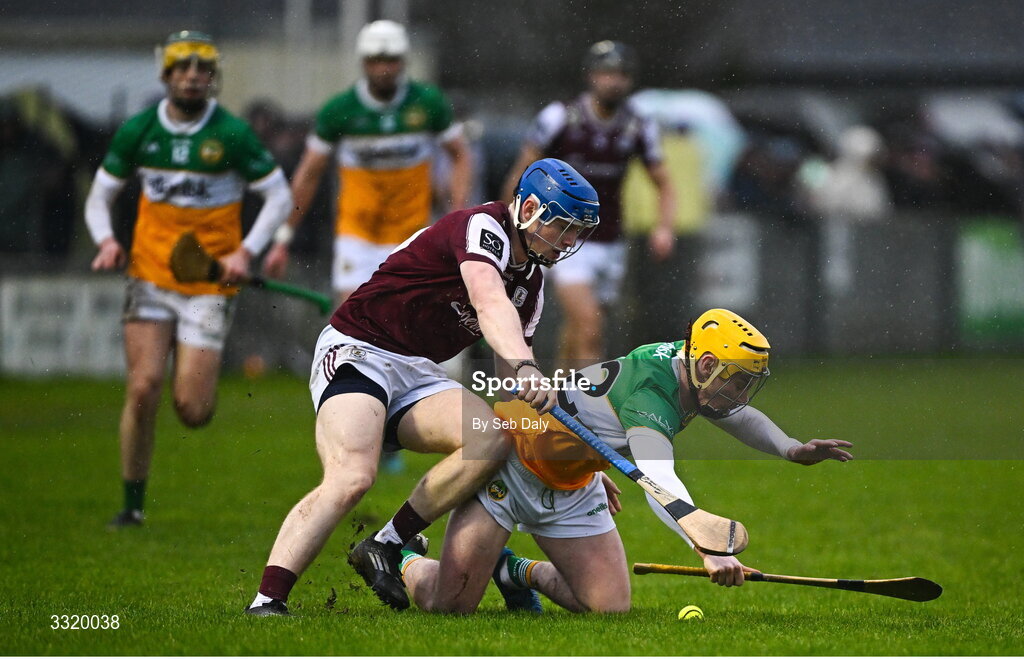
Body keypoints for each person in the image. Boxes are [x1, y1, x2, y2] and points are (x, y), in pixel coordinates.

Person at [244, 158, 600, 617]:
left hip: (417, 372)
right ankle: (268, 600)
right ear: (529, 208)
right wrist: (528, 365)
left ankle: (386, 544)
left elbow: (511, 389)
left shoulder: (531, 284)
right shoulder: (481, 228)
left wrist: (576, 459)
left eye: (578, 232)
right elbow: (488, 302)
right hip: (359, 349)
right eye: (564, 227)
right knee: (353, 477)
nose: (571, 241)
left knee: (491, 436)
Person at [398, 308, 854, 614]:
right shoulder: (652, 391)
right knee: (449, 605)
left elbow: (736, 416)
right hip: (515, 460)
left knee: (607, 607)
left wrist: (790, 447)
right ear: (708, 362)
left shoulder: (691, 363)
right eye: (735, 381)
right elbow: (658, 479)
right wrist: (707, 549)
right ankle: (400, 555)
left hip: (575, 481)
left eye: (744, 383)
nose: (738, 394)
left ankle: (515, 570)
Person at [83, 30, 293, 528]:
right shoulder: (139, 131)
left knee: (192, 409)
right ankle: (132, 506)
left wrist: (246, 252)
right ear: (167, 75)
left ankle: (193, 377)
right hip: (150, 275)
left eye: (202, 69)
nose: (193, 77)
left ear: (212, 78)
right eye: (183, 68)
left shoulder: (233, 134)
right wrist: (106, 240)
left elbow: (279, 196)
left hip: (208, 283)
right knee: (142, 387)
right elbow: (99, 196)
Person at [262, 19, 472, 307]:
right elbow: (308, 175)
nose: (384, 69)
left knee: (409, 328)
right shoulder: (340, 110)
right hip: (357, 236)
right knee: (354, 323)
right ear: (363, 62)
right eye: (376, 61)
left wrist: (457, 212)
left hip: (412, 234)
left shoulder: (427, 103)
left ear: (403, 61)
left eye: (391, 61)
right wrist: (283, 238)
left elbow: (460, 155)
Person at [501, 40, 677, 365]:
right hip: (564, 238)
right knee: (591, 326)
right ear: (591, 76)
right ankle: (586, 413)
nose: (615, 81)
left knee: (581, 329)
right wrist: (510, 222)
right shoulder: (560, 117)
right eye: (607, 72)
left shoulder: (638, 125)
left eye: (622, 74)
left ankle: (556, 401)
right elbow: (523, 170)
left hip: (611, 240)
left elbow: (663, 182)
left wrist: (664, 228)